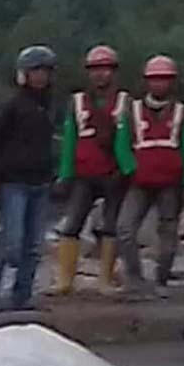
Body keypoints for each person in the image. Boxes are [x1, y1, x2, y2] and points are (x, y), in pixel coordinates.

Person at [0, 46, 57, 314]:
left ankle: (22, 295)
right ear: (24, 74)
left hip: (41, 181)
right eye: (36, 71)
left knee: (34, 244)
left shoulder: (49, 106)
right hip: (14, 181)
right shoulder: (13, 106)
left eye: (45, 71)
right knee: (11, 240)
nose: (41, 76)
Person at [49, 45, 132, 295]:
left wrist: (128, 169)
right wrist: (65, 173)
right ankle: (65, 281)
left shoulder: (126, 102)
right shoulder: (77, 102)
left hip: (114, 173)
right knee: (71, 224)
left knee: (111, 226)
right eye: (95, 70)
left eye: (105, 69)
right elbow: (70, 139)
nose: (100, 74)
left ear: (113, 72)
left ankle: (105, 280)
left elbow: (131, 137)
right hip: (84, 174)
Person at [116, 55, 184, 298]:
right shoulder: (133, 110)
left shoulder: (182, 112)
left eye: (164, 80)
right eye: (155, 80)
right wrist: (131, 169)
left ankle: (162, 280)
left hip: (170, 182)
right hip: (139, 181)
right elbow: (122, 145)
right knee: (125, 228)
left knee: (169, 231)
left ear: (172, 82)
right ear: (147, 82)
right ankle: (134, 278)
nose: (159, 84)